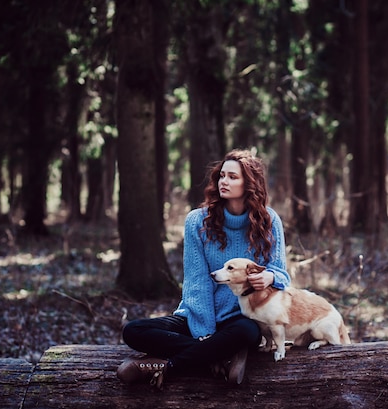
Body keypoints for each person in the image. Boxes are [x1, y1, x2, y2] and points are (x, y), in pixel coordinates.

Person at [117, 149, 290, 388]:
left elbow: (281, 272)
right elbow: (197, 283)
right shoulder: (197, 221)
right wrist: (206, 335)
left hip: (241, 319)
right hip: (198, 317)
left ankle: (163, 365)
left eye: (232, 177)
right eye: (222, 176)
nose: (224, 182)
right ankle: (224, 356)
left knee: (247, 333)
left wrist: (269, 276)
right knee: (134, 331)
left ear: (250, 184)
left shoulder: (269, 221)